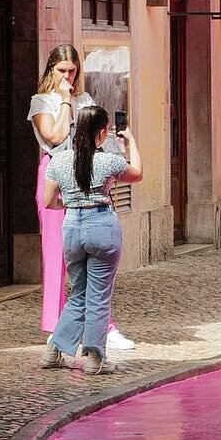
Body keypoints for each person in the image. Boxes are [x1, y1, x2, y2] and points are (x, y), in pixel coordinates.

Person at [28, 45, 136, 351]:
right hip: (55, 172)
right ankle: (56, 325)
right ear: (51, 70)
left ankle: (105, 325)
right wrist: (64, 102)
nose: (68, 76)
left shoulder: (85, 99)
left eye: (72, 70)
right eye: (62, 70)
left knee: (96, 255)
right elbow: (56, 137)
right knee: (57, 255)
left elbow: (95, 138)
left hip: (87, 173)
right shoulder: (40, 102)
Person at [42, 106, 143, 374]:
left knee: (79, 293)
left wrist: (72, 201)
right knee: (98, 296)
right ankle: (95, 358)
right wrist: (130, 141)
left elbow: (48, 201)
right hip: (102, 226)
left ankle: (54, 351)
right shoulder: (109, 160)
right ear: (101, 133)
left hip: (72, 225)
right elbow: (137, 173)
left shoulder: (58, 161)